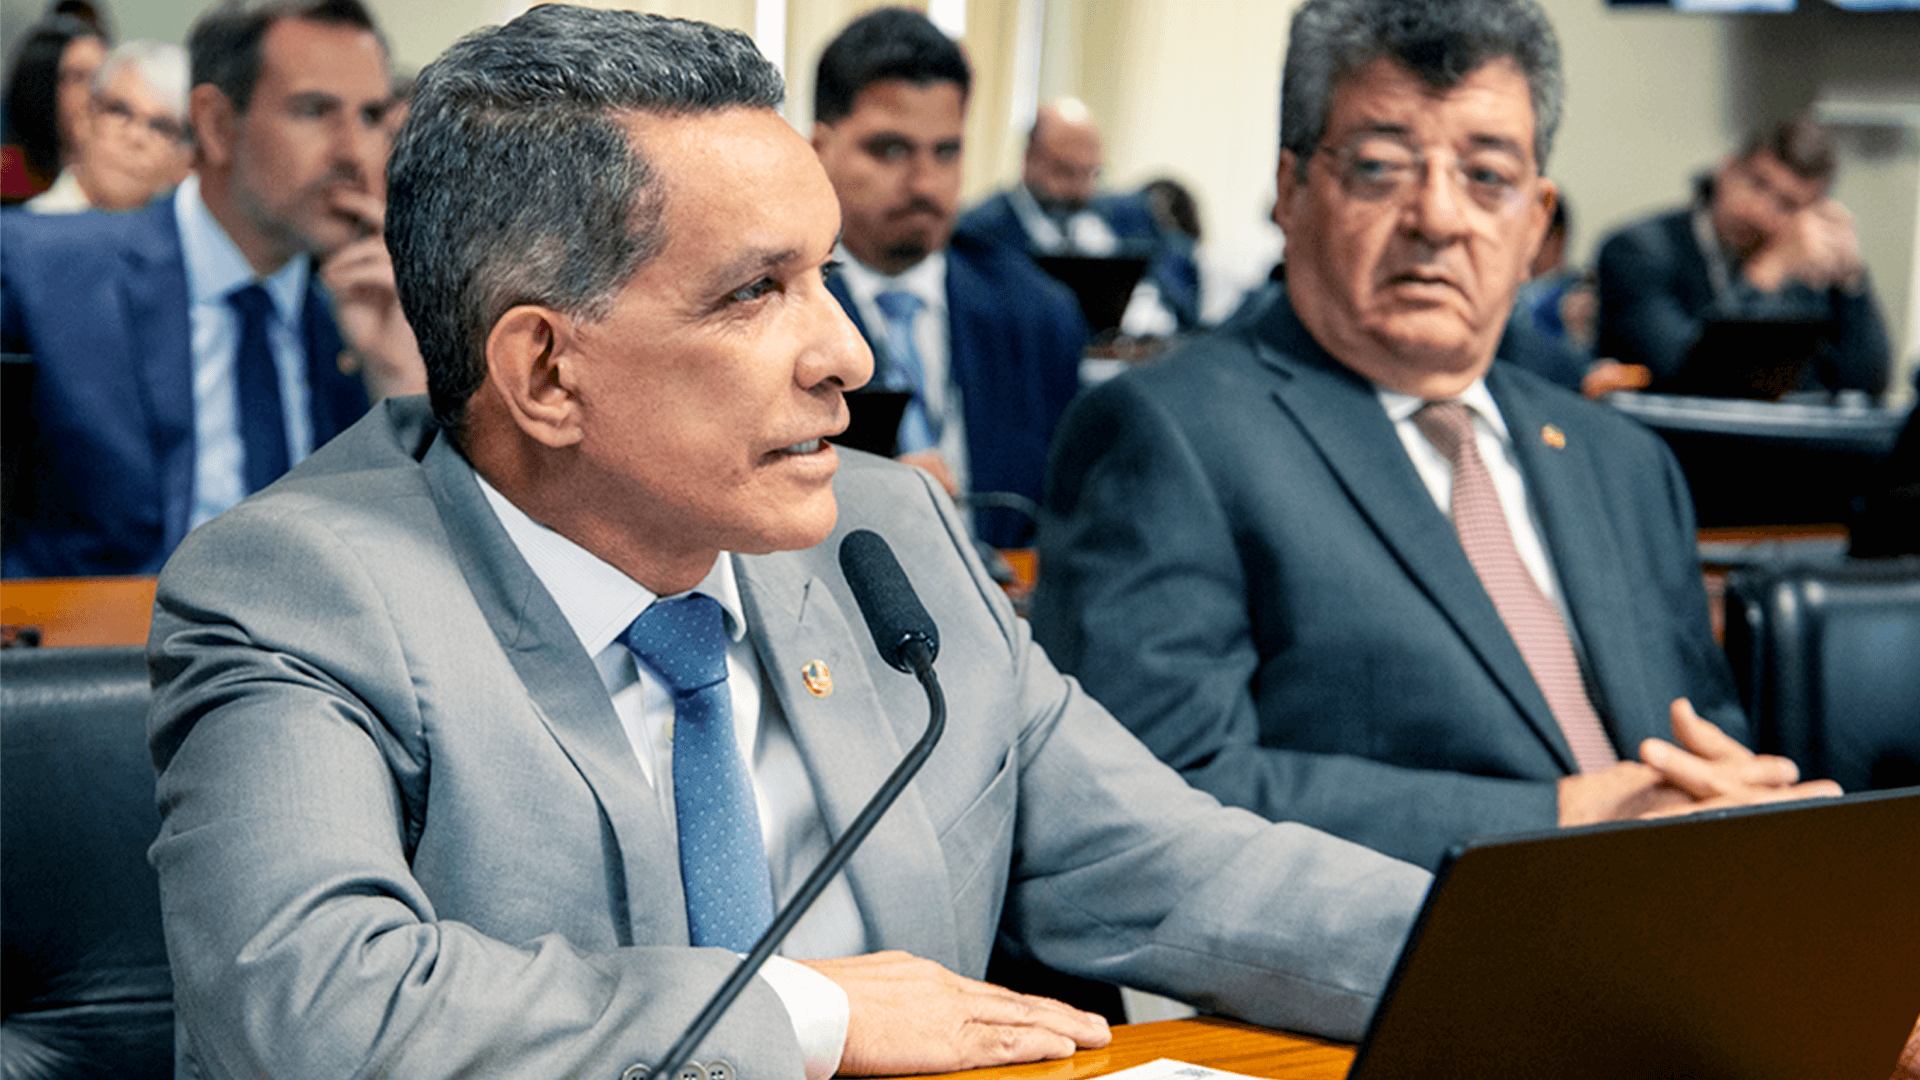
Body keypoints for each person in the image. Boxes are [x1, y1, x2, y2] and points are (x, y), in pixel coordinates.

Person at [145, 7, 1434, 1078]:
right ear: (543, 371)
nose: (849, 357)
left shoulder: (888, 534)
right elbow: (316, 1010)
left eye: (828, 277)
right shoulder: (304, 591)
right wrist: (812, 1016)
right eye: (756, 291)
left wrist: (1511, 959)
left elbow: (1176, 867)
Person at [1032, 0, 1840, 875]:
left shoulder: (1624, 462)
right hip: (1402, 947)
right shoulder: (1169, 434)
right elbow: (1155, 798)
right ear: (1291, 191)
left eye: (1488, 177)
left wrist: (1742, 813)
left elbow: (1705, 739)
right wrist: (1559, 818)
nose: (1438, 217)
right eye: (1381, 168)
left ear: (1536, 222)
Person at [0, 0, 420, 578]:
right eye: (314, 111)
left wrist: (398, 382)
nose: (354, 152)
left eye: (371, 116)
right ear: (218, 125)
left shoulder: (367, 315)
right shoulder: (42, 271)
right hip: (98, 629)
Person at [810, 8, 1087, 548]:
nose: (925, 183)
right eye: (890, 150)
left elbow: (1067, 512)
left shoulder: (1039, 315)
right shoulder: (771, 317)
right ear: (820, 149)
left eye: (946, 151)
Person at [1594, 111, 1891, 397]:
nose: (1761, 212)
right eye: (1757, 184)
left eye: (1787, 205)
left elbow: (1863, 386)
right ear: (1727, 168)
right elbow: (1690, 375)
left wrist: (1849, 281)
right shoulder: (1638, 251)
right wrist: (1764, 276)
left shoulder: (1801, 270)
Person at [956, 97, 1202, 332]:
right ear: (1029, 158)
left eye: (1092, 173)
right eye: (1065, 172)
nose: (1081, 190)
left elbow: (1178, 270)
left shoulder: (1127, 214)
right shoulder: (979, 232)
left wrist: (1152, 304)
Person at [25, 39, 191, 212]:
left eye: (160, 127)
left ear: (183, 158)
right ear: (86, 118)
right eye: (119, 112)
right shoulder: (27, 225)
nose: (135, 136)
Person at [1, 13, 107, 202]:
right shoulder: (6, 176)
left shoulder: (125, 180)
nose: (97, 92)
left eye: (103, 76)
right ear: (40, 87)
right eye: (79, 77)